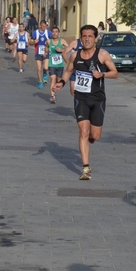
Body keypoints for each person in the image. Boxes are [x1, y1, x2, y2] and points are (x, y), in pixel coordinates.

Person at [52, 25, 118, 180]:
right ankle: (86, 168)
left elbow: (115, 73)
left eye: (90, 36)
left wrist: (101, 74)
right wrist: (61, 83)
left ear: (95, 38)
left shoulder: (102, 54)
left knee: (95, 135)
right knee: (83, 131)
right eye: (84, 36)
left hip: (98, 99)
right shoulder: (75, 56)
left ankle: (90, 139)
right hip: (81, 98)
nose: (87, 39)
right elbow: (68, 71)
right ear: (80, 38)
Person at [47, 26, 69, 104]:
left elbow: (69, 49)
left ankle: (56, 86)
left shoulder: (62, 41)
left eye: (56, 32)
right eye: (53, 32)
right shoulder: (49, 41)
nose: (55, 33)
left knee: (58, 80)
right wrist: (45, 53)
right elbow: (46, 48)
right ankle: (52, 96)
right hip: (51, 64)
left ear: (59, 33)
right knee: (53, 78)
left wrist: (61, 50)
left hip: (60, 64)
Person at [30, 20, 52, 89]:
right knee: (39, 68)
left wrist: (49, 43)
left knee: (45, 67)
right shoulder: (35, 33)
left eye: (45, 26)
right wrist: (34, 41)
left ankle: (45, 73)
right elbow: (29, 42)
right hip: (38, 52)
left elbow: (53, 40)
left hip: (46, 52)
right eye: (43, 26)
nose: (44, 27)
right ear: (40, 25)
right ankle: (40, 81)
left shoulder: (48, 33)